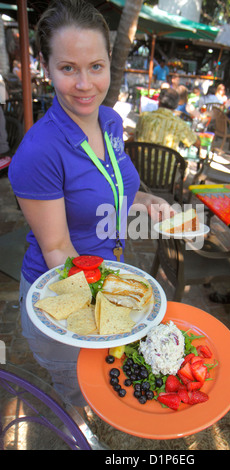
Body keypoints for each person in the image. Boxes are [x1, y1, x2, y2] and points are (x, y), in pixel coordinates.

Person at [8, 0, 172, 412]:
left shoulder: (111, 121)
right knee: (76, 390)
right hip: (67, 297)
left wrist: (145, 200)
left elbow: (115, 185)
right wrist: (113, 313)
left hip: (106, 282)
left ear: (110, 67)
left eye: (95, 66)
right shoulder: (39, 152)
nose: (85, 84)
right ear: (47, 69)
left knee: (103, 381)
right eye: (68, 69)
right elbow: (58, 251)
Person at [135, 87, 201, 151]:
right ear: (176, 105)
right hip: (166, 162)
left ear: (159, 102)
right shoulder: (179, 124)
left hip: (140, 161)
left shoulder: (144, 117)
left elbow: (135, 138)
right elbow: (196, 143)